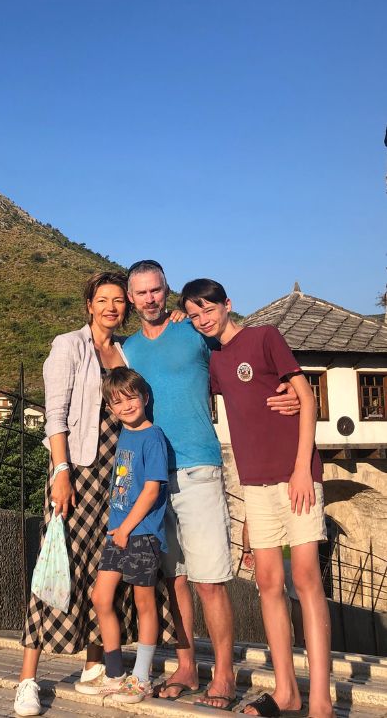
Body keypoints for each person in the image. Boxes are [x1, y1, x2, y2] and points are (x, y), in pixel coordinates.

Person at [123, 260, 298, 709]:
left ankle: (223, 673)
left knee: (210, 581)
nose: (150, 299)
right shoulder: (130, 351)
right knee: (175, 579)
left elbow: (240, 364)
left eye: (156, 290)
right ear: (131, 298)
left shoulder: (194, 331)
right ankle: (186, 666)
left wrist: (290, 392)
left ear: (167, 291)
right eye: (141, 292)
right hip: (153, 478)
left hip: (199, 467)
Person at [14, 271, 176, 717]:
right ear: (89, 304)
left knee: (100, 568)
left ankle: (95, 665)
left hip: (117, 476)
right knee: (56, 562)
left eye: (118, 300)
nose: (112, 307)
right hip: (78, 469)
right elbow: (55, 414)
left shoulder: (125, 349)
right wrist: (60, 470)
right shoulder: (69, 345)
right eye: (102, 300)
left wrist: (177, 317)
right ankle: (28, 678)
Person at [180, 278, 332, 718]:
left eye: (208, 309)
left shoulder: (265, 337)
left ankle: (320, 698)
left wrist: (302, 468)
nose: (203, 319)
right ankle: (287, 692)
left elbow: (306, 397)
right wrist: (176, 319)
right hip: (255, 484)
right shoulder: (215, 361)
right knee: (268, 582)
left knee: (305, 578)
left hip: (296, 476)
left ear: (228, 304)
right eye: (194, 314)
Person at [74, 367, 168, 704]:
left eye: (130, 397)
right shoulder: (123, 435)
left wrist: (126, 528)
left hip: (141, 533)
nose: (125, 405)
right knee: (101, 598)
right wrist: (119, 530)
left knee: (144, 603)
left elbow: (152, 490)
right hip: (118, 533)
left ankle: (140, 677)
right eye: (117, 402)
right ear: (110, 409)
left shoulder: (153, 436)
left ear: (144, 397)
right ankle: (115, 675)